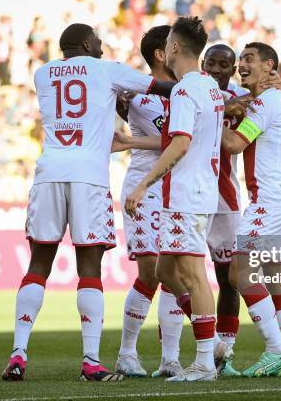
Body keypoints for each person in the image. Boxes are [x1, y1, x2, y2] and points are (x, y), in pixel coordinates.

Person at [1, 23, 176, 382]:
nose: (101, 44)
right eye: (96, 40)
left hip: (49, 171)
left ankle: (18, 353)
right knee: (90, 267)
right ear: (85, 43)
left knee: (38, 263)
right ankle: (91, 361)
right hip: (89, 176)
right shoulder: (108, 69)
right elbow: (165, 88)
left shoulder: (42, 73)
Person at [201, 44, 281, 376]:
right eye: (242, 60)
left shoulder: (265, 102)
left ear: (269, 67)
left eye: (249, 59)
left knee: (239, 275)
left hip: (271, 202)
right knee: (279, 278)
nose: (241, 65)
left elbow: (234, 145)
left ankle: (276, 351)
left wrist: (212, 119)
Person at [124, 16, 224, 382]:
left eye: (167, 43)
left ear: (174, 49)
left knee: (195, 277)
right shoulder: (210, 87)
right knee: (166, 271)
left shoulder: (184, 91)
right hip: (198, 191)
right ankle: (209, 339)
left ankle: (203, 363)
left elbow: (180, 143)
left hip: (187, 193)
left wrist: (142, 185)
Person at [114, 25, 185, 379]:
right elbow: (173, 140)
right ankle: (126, 353)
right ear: (161, 54)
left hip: (177, 190)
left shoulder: (185, 92)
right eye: (176, 47)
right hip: (145, 189)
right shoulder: (138, 95)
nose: (183, 53)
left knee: (173, 271)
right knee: (151, 272)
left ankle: (170, 359)